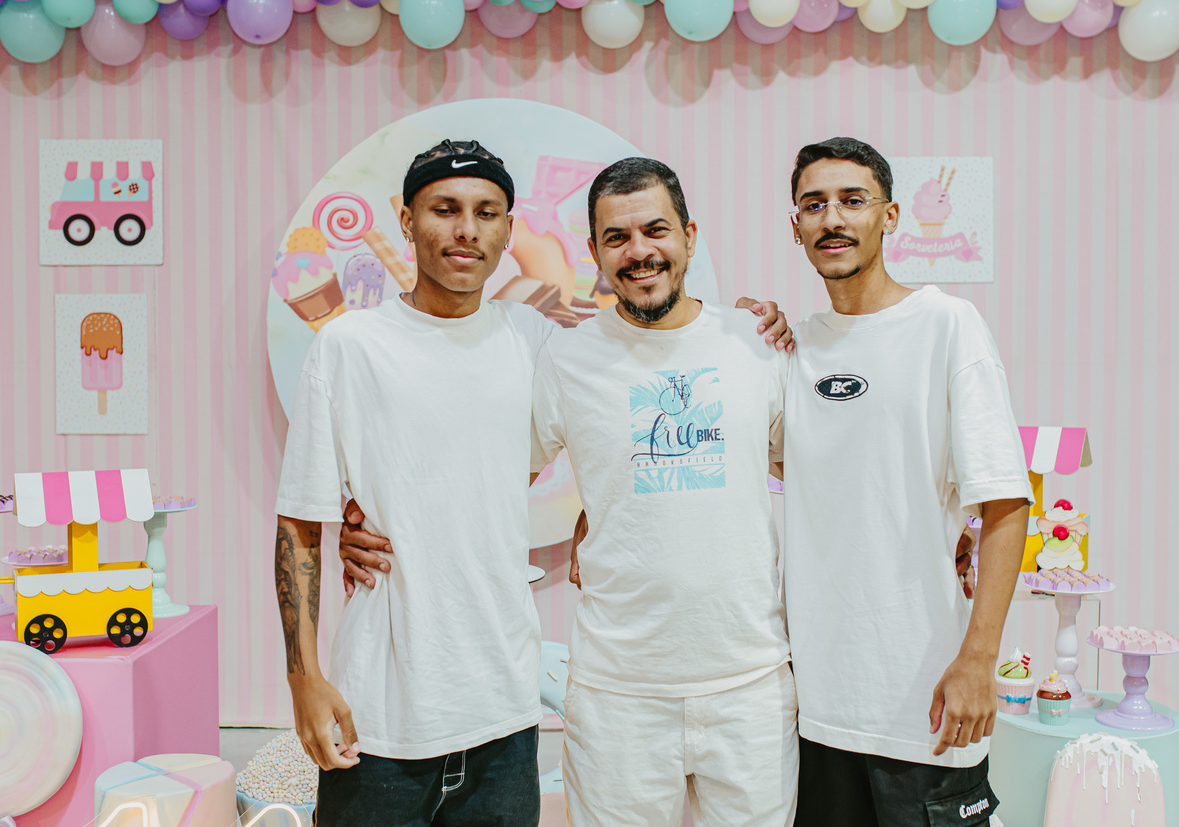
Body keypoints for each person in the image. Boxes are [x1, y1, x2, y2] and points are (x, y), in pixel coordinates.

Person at [276, 139, 792, 827]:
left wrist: (605, 512)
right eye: (445, 209)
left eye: (486, 212)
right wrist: (306, 670)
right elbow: (320, 515)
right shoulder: (362, 346)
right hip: (405, 708)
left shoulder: (541, 339)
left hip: (521, 709)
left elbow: (624, 435)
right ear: (406, 221)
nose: (466, 230)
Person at [528, 157, 798, 826]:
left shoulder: (755, 343)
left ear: (689, 236)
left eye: (656, 230)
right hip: (617, 693)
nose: (639, 251)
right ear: (595, 252)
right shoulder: (566, 359)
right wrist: (370, 514)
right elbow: (492, 478)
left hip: (750, 685)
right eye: (616, 237)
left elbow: (824, 473)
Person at [782, 137, 1032, 826]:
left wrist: (978, 659)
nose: (832, 218)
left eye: (852, 200)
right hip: (816, 711)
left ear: (889, 215)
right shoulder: (792, 347)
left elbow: (1006, 502)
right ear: (796, 226)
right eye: (813, 204)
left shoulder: (947, 325)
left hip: (927, 703)